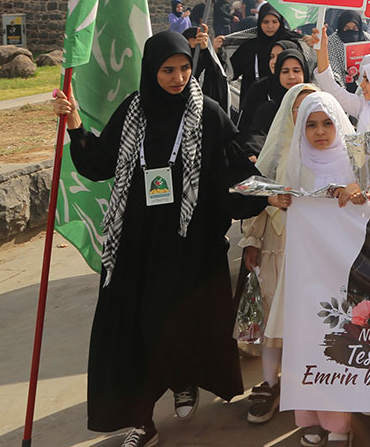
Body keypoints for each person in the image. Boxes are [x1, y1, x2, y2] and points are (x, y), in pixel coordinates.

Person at [50, 31, 267, 447]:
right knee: (140, 327)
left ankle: (184, 381)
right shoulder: (133, 111)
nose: (178, 77)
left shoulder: (209, 115)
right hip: (138, 242)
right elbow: (99, 163)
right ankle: (141, 419)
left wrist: (266, 192)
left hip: (191, 243)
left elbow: (233, 172)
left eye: (185, 68)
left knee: (184, 322)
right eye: (168, 70)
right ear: (152, 70)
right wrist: (75, 123)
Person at [241, 89, 362, 433]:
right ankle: (310, 419)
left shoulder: (355, 165)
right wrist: (273, 201)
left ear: (339, 124)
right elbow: (268, 203)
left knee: (342, 342)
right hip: (304, 272)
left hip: (343, 271)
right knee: (308, 343)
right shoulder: (293, 167)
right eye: (311, 125)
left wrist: (356, 196)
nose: (320, 132)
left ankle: (340, 423)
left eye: (327, 123)